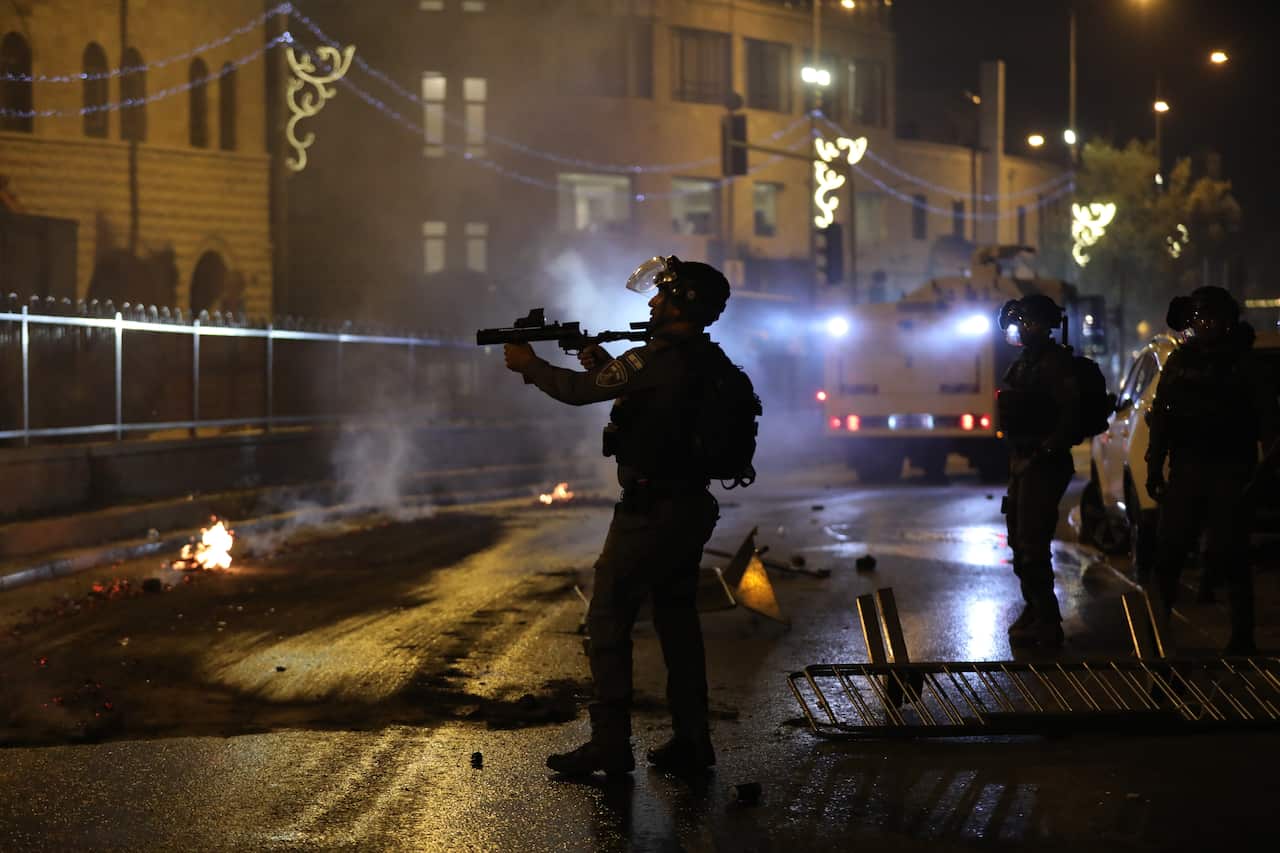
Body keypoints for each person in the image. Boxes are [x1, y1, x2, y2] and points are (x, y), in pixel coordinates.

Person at [502, 257, 732, 778]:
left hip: (649, 512)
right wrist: (604, 361)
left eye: (662, 297)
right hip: (690, 507)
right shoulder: (705, 359)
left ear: (682, 305)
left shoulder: (657, 357)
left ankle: (609, 746)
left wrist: (530, 365)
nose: (652, 303)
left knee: (606, 620)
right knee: (678, 625)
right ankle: (692, 743)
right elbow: (654, 401)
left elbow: (579, 393)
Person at [1144, 286, 1278, 655]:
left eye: (1211, 319)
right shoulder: (1179, 363)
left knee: (1232, 556)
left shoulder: (1245, 365)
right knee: (1168, 556)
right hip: (1187, 470)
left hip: (1230, 471)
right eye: (1199, 318)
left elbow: (1269, 423)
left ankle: (1242, 637)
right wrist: (1154, 467)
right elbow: (1162, 421)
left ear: (1227, 322)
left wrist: (1264, 474)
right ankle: (1160, 633)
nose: (1204, 326)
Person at [997, 293, 1081, 649]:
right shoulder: (1023, 363)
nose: (1020, 330)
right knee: (1018, 540)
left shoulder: (1055, 365)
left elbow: (1071, 413)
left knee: (1032, 543)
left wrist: (1047, 448)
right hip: (1023, 461)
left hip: (1044, 464)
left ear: (1039, 325)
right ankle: (1034, 607)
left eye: (1025, 323)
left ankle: (1048, 619)